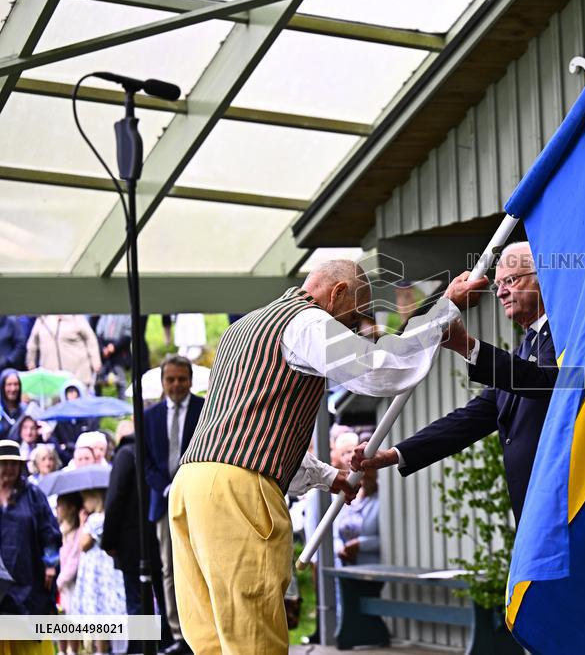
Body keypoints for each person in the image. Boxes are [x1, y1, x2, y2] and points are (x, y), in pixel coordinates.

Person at [169, 259, 486, 654]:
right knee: (252, 637)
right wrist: (444, 311)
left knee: (213, 639)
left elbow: (251, 426)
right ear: (337, 294)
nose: (353, 328)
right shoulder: (307, 322)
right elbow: (378, 369)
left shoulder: (241, 329)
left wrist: (326, 475)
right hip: (238, 489)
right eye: (354, 316)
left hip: (190, 483)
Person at [354, 243, 557, 523]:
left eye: (510, 280)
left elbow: (546, 382)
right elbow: (470, 419)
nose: (500, 292)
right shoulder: (527, 346)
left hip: (562, 498)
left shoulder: (563, 335)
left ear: (541, 278)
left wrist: (467, 345)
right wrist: (394, 454)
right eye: (497, 285)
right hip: (535, 506)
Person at [142, 355, 204, 655]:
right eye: (171, 379)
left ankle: (204, 631)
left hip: (199, 501)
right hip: (164, 502)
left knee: (202, 565)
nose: (176, 385)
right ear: (162, 382)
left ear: (190, 380)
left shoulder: (205, 410)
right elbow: (145, 461)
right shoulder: (149, 417)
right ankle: (180, 634)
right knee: (170, 568)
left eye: (181, 379)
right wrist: (167, 488)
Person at [103, 420, 171, 655]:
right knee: (165, 598)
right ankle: (166, 645)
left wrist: (109, 541)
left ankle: (143, 649)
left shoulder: (125, 455)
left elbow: (115, 500)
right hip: (160, 539)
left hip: (132, 543)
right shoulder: (157, 452)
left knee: (137, 601)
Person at [0, 439, 61, 653]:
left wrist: (50, 564)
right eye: (4, 463)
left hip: (28, 575)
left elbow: (49, 532)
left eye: (13, 464)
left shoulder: (33, 495)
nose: (9, 469)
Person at [77, 487, 127, 655]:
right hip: (110, 569)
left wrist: (82, 523)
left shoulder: (94, 520)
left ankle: (101, 649)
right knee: (111, 607)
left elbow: (83, 544)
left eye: (86, 500)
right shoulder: (110, 517)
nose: (84, 504)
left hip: (96, 571)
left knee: (98, 609)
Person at [26, 315, 103, 388]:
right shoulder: (43, 319)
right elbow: (32, 343)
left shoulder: (76, 317)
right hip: (51, 376)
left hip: (78, 374)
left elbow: (90, 338)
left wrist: (96, 362)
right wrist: (30, 362)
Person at [55, 491, 84, 655]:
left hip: (72, 584)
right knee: (61, 616)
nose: (57, 509)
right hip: (62, 585)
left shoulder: (78, 532)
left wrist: (60, 581)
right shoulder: (60, 531)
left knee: (72, 618)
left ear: (71, 508)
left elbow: (74, 560)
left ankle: (73, 650)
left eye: (60, 505)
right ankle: (61, 651)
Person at [95, 315, 131, 400]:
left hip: (119, 352)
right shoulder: (105, 316)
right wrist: (103, 349)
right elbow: (98, 334)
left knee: (121, 381)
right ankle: (98, 402)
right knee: (98, 381)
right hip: (104, 352)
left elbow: (128, 335)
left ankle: (122, 404)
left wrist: (114, 346)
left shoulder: (126, 316)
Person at [0, 368, 25, 441]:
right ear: (2, 387)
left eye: (16, 384)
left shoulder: (25, 410)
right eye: (9, 384)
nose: (13, 389)